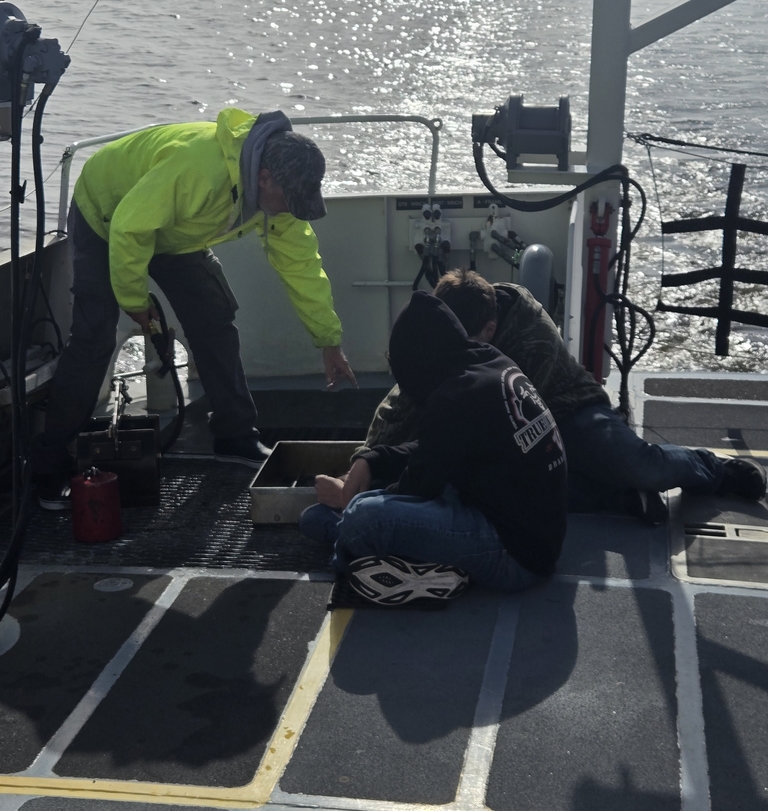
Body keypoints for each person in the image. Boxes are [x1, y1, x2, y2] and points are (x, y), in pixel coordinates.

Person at [33, 108, 356, 510]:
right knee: (94, 335)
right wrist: (134, 302)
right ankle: (49, 464)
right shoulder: (199, 168)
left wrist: (328, 340)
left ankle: (235, 435)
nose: (292, 209)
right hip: (108, 213)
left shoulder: (279, 201)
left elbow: (302, 266)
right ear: (264, 177)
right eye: (290, 200)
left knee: (215, 316)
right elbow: (130, 227)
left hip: (174, 232)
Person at [304, 269, 765, 539]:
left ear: (491, 327)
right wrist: (361, 464)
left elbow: (514, 409)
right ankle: (620, 499)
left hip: (566, 410)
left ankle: (711, 469)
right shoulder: (452, 340)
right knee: (512, 489)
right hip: (508, 428)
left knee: (636, 463)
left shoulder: (528, 329)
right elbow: (404, 401)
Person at [306, 289, 568, 604]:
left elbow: (416, 487)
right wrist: (372, 461)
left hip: (514, 557)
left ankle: (357, 554)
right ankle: (416, 561)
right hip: (536, 534)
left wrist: (348, 496)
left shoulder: (455, 397)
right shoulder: (491, 363)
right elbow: (439, 449)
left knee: (361, 518)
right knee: (363, 501)